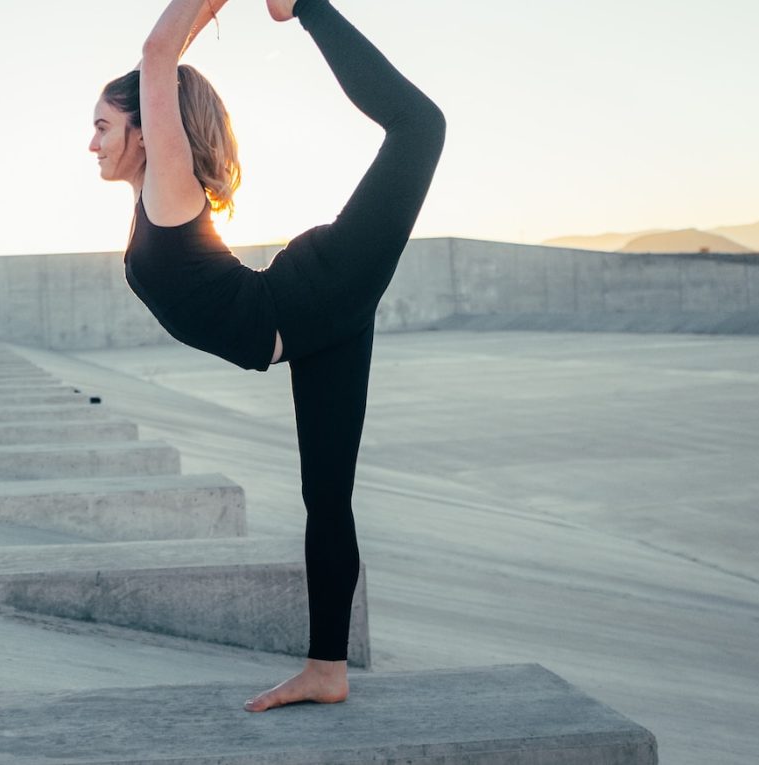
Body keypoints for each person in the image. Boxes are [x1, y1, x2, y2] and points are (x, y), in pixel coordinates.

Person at [88, 0, 445, 712]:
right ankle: (326, 668)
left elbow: (159, 57)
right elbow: (165, 64)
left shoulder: (170, 188)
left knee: (420, 128)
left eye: (102, 126)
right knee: (327, 498)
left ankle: (304, 3)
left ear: (144, 128)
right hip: (311, 323)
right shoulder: (150, 200)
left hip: (315, 294)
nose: (91, 143)